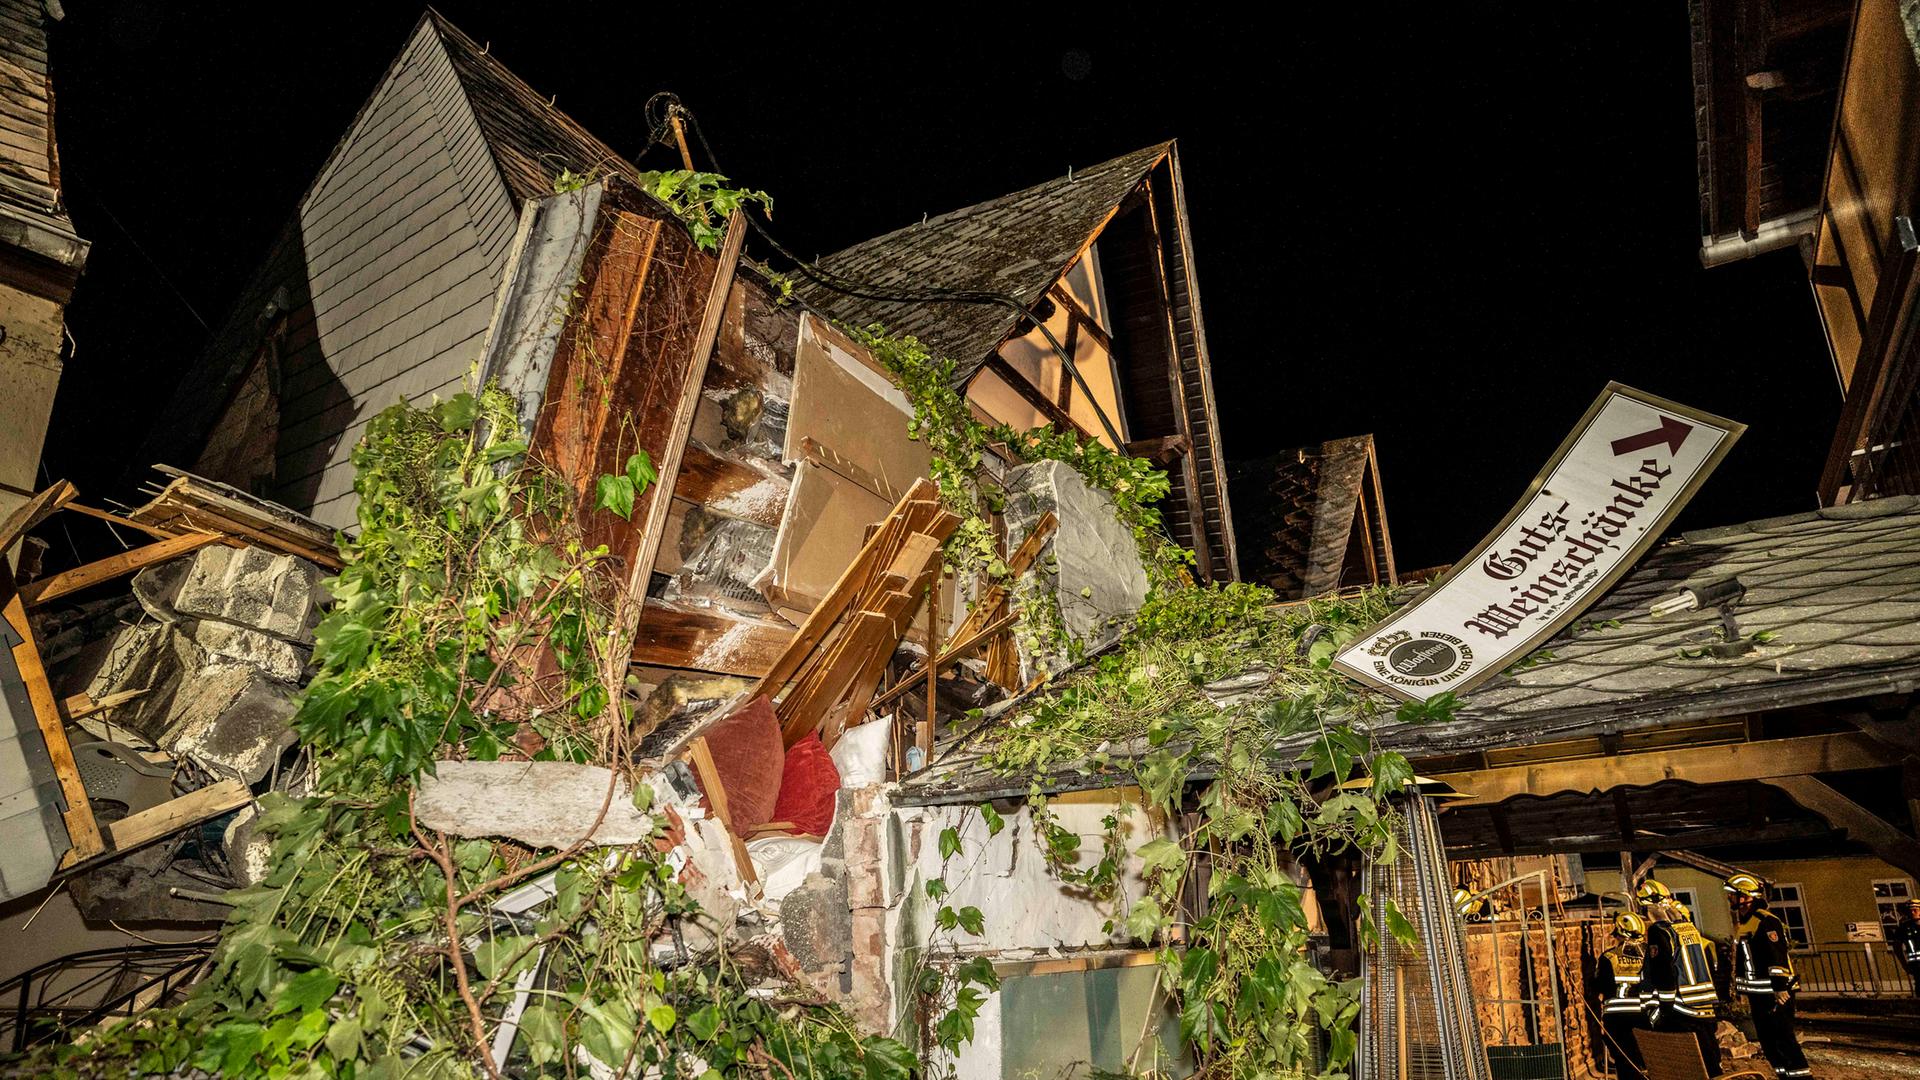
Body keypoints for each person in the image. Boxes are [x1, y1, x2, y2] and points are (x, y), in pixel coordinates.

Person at [1725, 873, 1811, 1078]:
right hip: (1759, 994)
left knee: (1784, 1039)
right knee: (1769, 1042)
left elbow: (1776, 955)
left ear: (1745, 896)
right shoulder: (1746, 923)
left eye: (1732, 894)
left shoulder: (1765, 921)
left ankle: (1801, 1077)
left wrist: (1780, 988)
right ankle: (1784, 1076)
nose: (1729, 898)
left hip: (1774, 994)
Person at [1637, 878, 1722, 1076]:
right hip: (1703, 1006)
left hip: (1679, 1010)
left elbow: (1663, 970)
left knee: (1683, 1067)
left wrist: (1662, 1011)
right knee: (1710, 1064)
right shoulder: (1688, 929)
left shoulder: (1659, 931)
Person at [1595, 912, 1653, 1080]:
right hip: (1645, 1015)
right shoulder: (1651, 954)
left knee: (1624, 1061)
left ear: (1621, 933)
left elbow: (1600, 986)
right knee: (1647, 1060)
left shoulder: (1609, 957)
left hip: (1617, 1018)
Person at [1896, 898, 1920, 998]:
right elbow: (1897, 947)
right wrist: (1904, 964)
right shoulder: (1904, 927)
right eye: (1910, 911)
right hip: (1916, 964)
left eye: (1915, 910)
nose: (1912, 913)